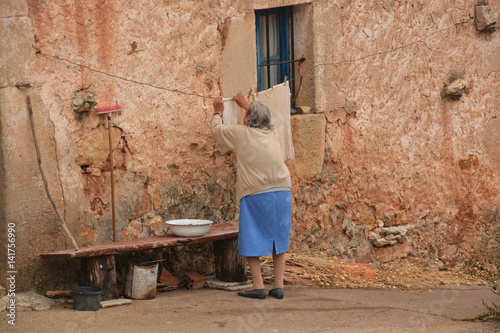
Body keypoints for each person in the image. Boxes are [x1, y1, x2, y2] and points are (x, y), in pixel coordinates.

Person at [210, 93, 292, 300]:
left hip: (256, 192)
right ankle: (278, 286)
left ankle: (258, 285)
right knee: (278, 237)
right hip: (282, 190)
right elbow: (261, 119)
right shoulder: (273, 133)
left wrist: (217, 112)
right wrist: (246, 105)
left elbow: (217, 131)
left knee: (251, 236)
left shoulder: (241, 134)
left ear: (248, 120)